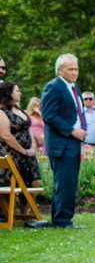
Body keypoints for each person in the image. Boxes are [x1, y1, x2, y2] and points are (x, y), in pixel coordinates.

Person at [39, 53, 86, 229]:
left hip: (72, 142)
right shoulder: (54, 87)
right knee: (64, 182)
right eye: (70, 69)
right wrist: (72, 130)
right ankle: (61, 220)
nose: (74, 72)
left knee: (69, 182)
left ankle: (63, 218)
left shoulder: (73, 87)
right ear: (59, 70)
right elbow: (49, 116)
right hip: (61, 143)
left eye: (76, 69)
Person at [0, 81, 42, 217]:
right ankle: (8, 213)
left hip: (28, 153)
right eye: (17, 91)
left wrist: (31, 147)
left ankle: (25, 211)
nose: (20, 93)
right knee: (9, 182)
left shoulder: (18, 109)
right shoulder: (1, 112)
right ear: (8, 93)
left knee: (35, 181)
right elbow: (6, 135)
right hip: (10, 153)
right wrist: (22, 150)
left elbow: (28, 127)